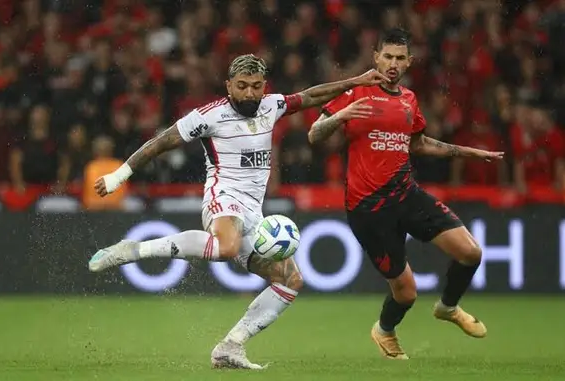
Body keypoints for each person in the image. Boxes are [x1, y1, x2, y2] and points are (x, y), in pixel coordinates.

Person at [87, 54, 389, 369]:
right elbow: (161, 142)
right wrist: (118, 176)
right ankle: (134, 249)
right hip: (223, 196)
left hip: (254, 212)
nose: (249, 94)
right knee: (226, 247)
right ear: (228, 85)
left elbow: (311, 95)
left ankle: (230, 346)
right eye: (242, 86)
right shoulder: (210, 116)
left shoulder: (272, 106)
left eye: (256, 87)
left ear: (264, 87)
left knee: (291, 280)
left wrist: (357, 81)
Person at [308, 28, 504, 360]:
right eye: (388, 56)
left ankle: (448, 307)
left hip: (406, 194)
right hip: (368, 208)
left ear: (409, 62)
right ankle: (384, 330)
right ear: (376, 58)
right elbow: (315, 134)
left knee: (471, 253)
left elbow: (420, 144)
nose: (393, 64)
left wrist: (469, 152)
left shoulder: (410, 99)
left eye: (400, 58)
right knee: (406, 294)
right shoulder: (356, 91)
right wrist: (340, 116)